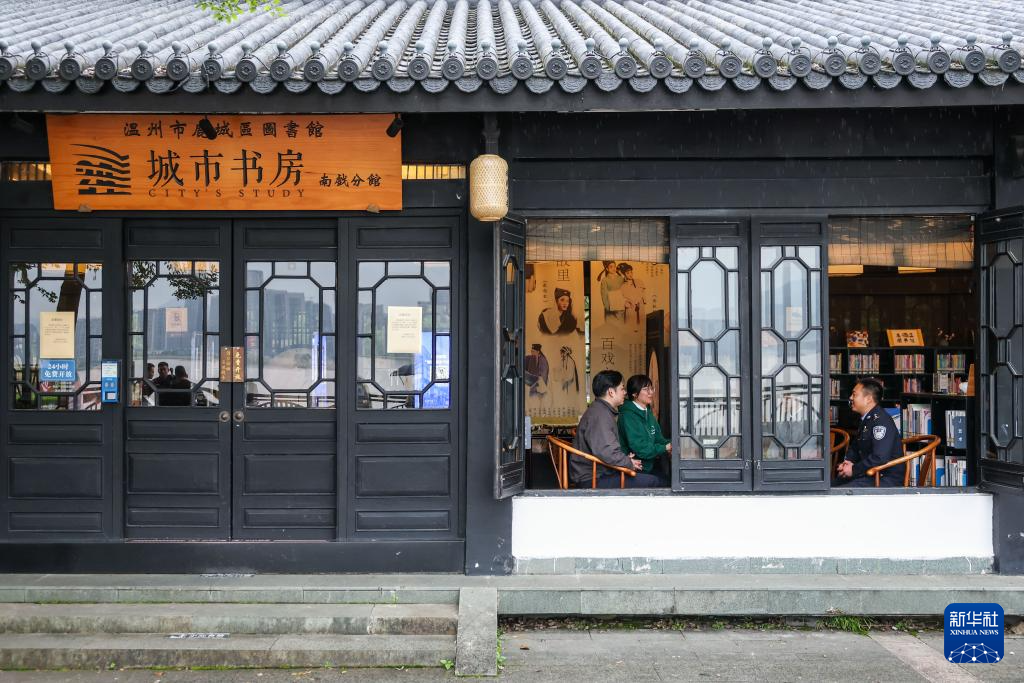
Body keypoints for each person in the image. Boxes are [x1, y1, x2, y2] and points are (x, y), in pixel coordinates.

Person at [572, 370, 663, 488]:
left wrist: (625, 460)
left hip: (602, 470)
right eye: (622, 388)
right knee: (655, 481)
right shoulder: (600, 415)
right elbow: (607, 451)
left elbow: (607, 450)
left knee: (655, 477)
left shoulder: (601, 410)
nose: (625, 392)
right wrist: (628, 462)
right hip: (593, 478)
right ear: (611, 392)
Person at [833, 377, 904, 487]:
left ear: (868, 399)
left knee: (839, 491)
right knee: (829, 486)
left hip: (883, 477)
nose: (850, 398)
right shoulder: (867, 419)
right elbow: (856, 447)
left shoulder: (880, 421)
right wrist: (848, 463)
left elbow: (879, 457)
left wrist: (854, 469)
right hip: (867, 474)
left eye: (854, 394)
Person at [618, 374, 671, 485]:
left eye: (651, 388)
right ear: (634, 394)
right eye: (646, 389)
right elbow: (640, 449)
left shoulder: (647, 411)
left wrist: (673, 444)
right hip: (634, 468)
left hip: (649, 465)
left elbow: (659, 439)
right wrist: (665, 447)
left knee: (671, 480)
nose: (651, 392)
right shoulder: (627, 415)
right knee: (666, 484)